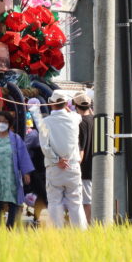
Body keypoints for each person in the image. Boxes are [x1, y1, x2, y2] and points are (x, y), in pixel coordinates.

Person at [38, 90, 87, 229]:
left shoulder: (45, 122)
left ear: (51, 104)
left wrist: (56, 159)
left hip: (54, 167)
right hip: (72, 166)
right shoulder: (74, 118)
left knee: (54, 202)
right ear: (66, 104)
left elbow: (44, 146)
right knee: (76, 202)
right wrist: (66, 107)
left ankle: (56, 233)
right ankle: (81, 233)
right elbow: (77, 115)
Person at [74, 92, 94, 221]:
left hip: (84, 168)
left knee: (86, 202)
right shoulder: (96, 120)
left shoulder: (79, 123)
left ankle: (87, 228)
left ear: (75, 106)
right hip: (96, 167)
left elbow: (80, 149)